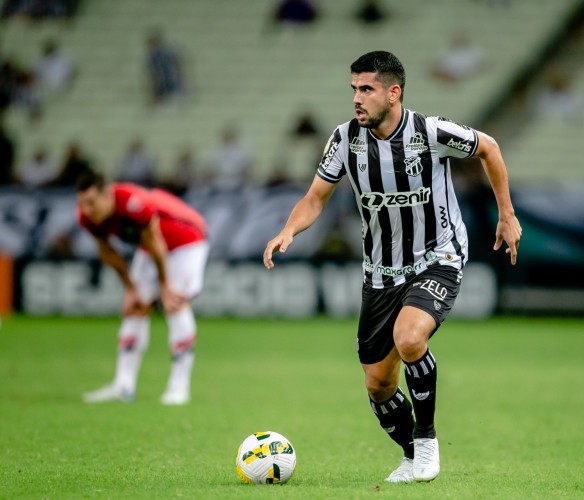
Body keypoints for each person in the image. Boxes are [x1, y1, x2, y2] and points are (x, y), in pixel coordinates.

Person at [263, 51, 521, 483]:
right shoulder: (345, 140)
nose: (357, 99)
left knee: (409, 338)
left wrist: (507, 214)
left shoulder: (429, 131)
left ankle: (426, 440)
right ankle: (409, 453)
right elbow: (315, 197)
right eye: (354, 90)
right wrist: (290, 230)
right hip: (380, 271)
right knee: (378, 385)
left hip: (439, 255)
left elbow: (488, 148)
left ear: (393, 92)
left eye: (366, 89)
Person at [76, 172, 209, 405]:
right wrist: (130, 287)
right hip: (150, 248)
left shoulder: (133, 203)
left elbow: (156, 240)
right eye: (83, 203)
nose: (87, 209)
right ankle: (123, 386)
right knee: (135, 306)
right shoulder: (87, 217)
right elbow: (107, 251)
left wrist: (165, 284)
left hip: (186, 239)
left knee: (175, 304)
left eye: (92, 203)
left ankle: (179, 388)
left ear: (108, 196)